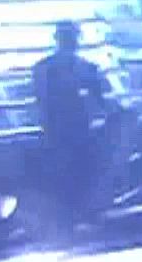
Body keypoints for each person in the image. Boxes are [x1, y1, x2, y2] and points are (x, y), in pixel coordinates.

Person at [32, 21, 114, 218]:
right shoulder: (45, 69)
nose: (70, 41)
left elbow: (102, 102)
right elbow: (42, 101)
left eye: (72, 37)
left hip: (79, 137)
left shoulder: (86, 69)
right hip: (58, 137)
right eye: (67, 37)